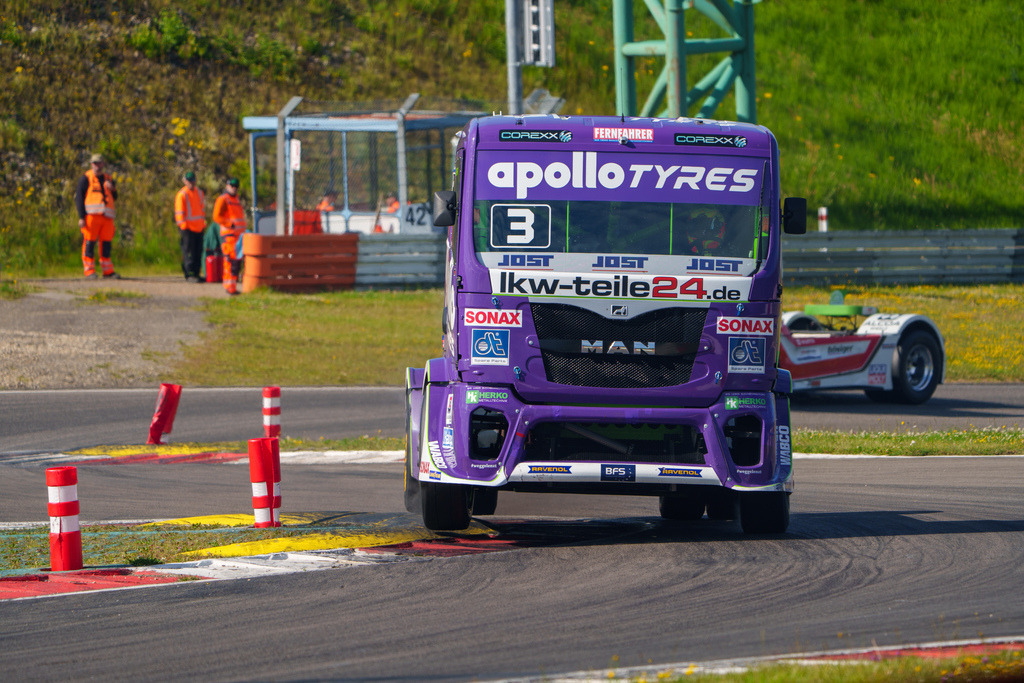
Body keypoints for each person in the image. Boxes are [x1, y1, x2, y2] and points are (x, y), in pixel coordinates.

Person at [74, 153, 118, 279]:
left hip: (107, 217)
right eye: (95, 163)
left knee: (106, 244)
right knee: (89, 243)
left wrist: (112, 188)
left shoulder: (108, 178)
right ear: (91, 164)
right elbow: (79, 198)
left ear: (103, 164)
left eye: (99, 163)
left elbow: (115, 197)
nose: (97, 166)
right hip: (91, 217)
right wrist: (81, 217)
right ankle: (89, 271)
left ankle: (108, 271)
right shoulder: (85, 179)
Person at [212, 177, 247, 294]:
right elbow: (216, 216)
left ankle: (232, 286)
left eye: (236, 186)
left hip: (238, 236)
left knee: (236, 262)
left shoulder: (236, 200)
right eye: (232, 185)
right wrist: (229, 224)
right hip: (228, 235)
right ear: (227, 186)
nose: (234, 188)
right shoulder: (223, 199)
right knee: (230, 261)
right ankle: (229, 287)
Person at [174, 171, 206, 281]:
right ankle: (189, 274)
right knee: (188, 252)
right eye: (189, 181)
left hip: (199, 227)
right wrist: (184, 227)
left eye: (193, 180)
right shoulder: (182, 194)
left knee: (198, 252)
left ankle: (196, 273)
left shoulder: (199, 193)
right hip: (187, 228)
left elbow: (202, 209)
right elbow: (179, 213)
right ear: (185, 181)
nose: (191, 183)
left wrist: (202, 224)